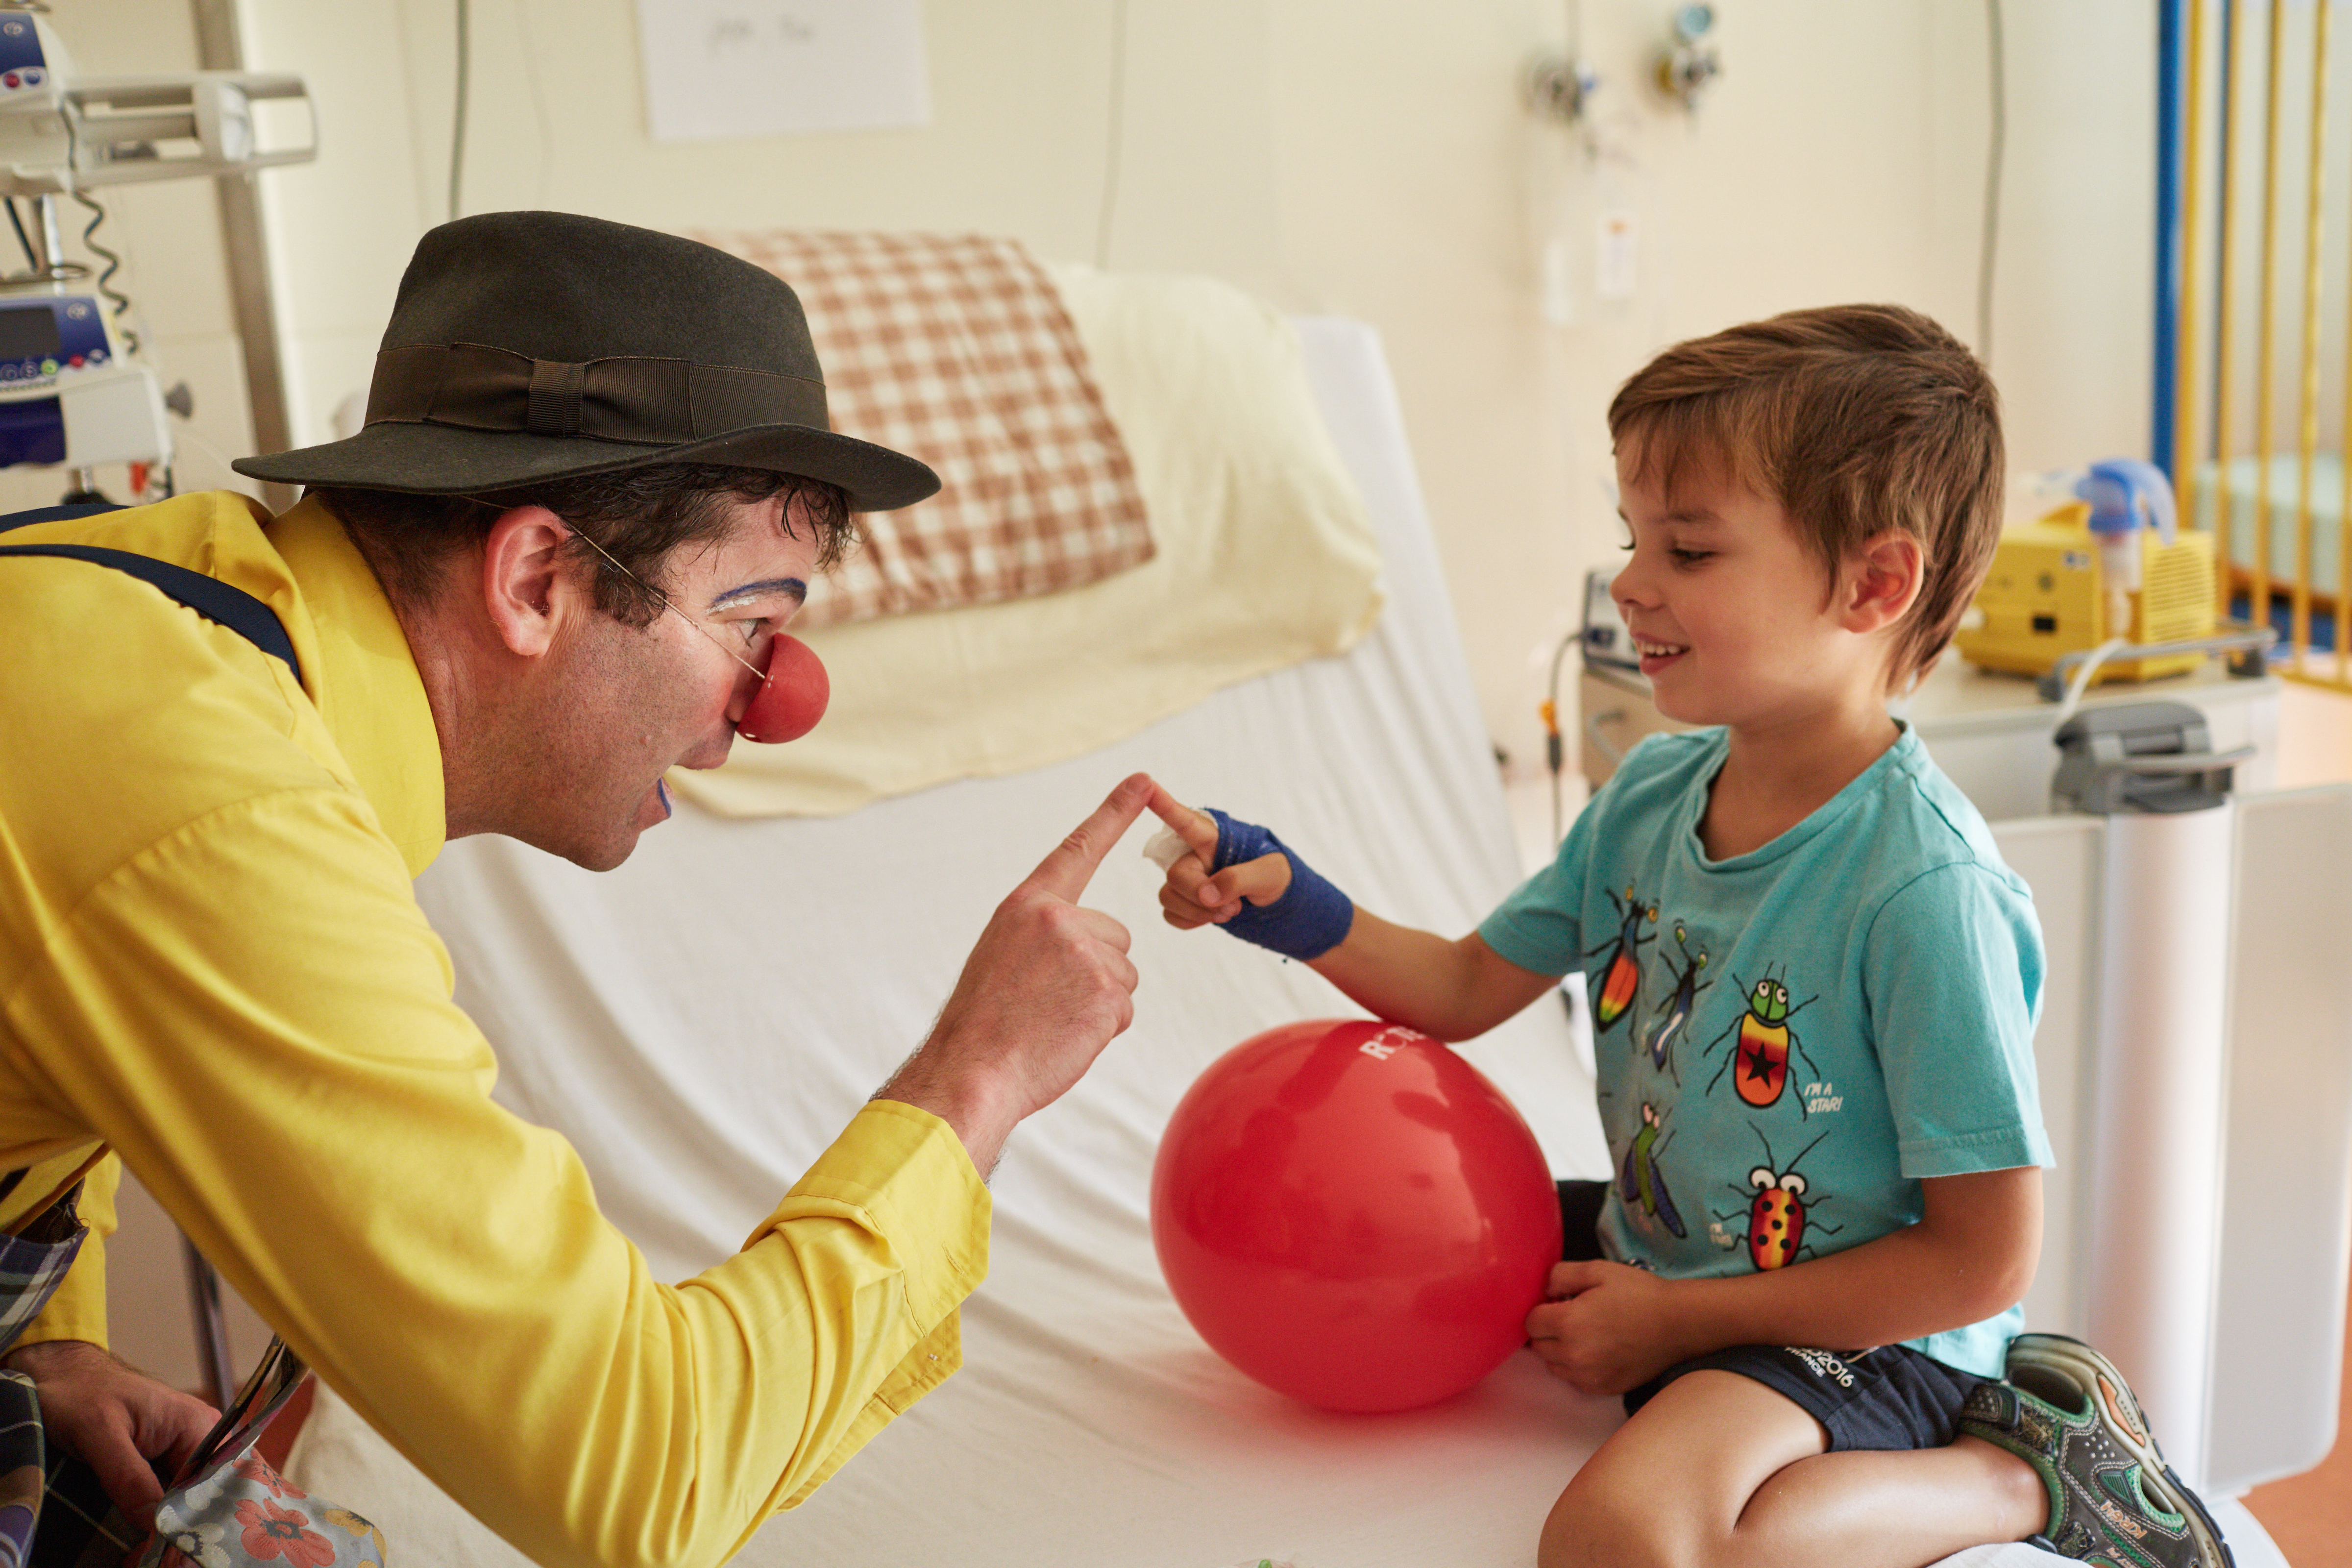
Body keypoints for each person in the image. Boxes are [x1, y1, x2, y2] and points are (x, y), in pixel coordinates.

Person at [0, 212, 1152, 1568]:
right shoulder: (211, 797)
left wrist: (49, 1356)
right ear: (538, 578)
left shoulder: (170, 611)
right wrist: (976, 1085)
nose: (765, 713)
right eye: (752, 627)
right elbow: (642, 1473)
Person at [1146, 305, 2232, 1568]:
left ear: (1876, 584)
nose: (1632, 581)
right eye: (1634, 537)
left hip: (1867, 1329)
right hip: (1671, 1250)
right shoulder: (1652, 797)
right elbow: (1456, 986)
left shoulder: (1922, 890)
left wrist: (1672, 1323)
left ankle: (2025, 1476)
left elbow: (1979, 1261)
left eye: (1692, 549)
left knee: (1632, 1540)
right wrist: (1286, 899)